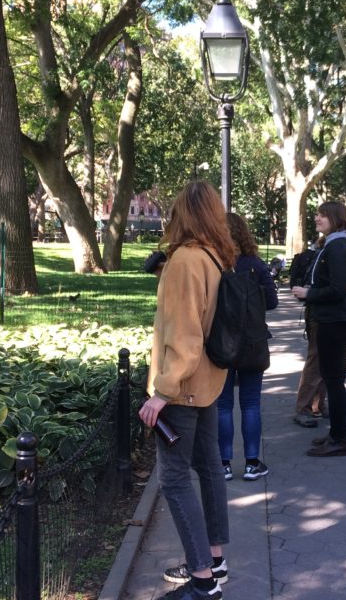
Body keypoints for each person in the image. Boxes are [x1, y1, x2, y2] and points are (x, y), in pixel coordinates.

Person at [138, 181, 232, 599]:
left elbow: (185, 333)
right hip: (209, 383)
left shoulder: (186, 261)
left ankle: (201, 580)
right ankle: (214, 561)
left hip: (183, 389)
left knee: (174, 479)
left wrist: (163, 390)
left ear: (183, 215)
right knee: (210, 468)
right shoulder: (214, 257)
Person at [291, 203, 346, 456]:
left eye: (322, 214)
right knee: (333, 380)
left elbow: (337, 288)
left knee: (334, 381)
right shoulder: (336, 244)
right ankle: (336, 433)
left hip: (335, 320)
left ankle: (339, 439)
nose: (317, 218)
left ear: (334, 218)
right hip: (335, 319)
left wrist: (308, 293)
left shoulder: (336, 246)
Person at [217, 213, 278, 481]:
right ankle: (252, 463)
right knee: (251, 403)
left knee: (223, 405)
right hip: (253, 341)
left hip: (224, 342)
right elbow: (273, 301)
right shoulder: (256, 264)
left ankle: (224, 464)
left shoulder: (216, 264)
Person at [289, 237, 326, 428]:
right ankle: (305, 407)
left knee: (322, 359)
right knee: (316, 360)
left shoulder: (323, 253)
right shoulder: (325, 255)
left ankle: (317, 404)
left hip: (319, 313)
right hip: (320, 314)